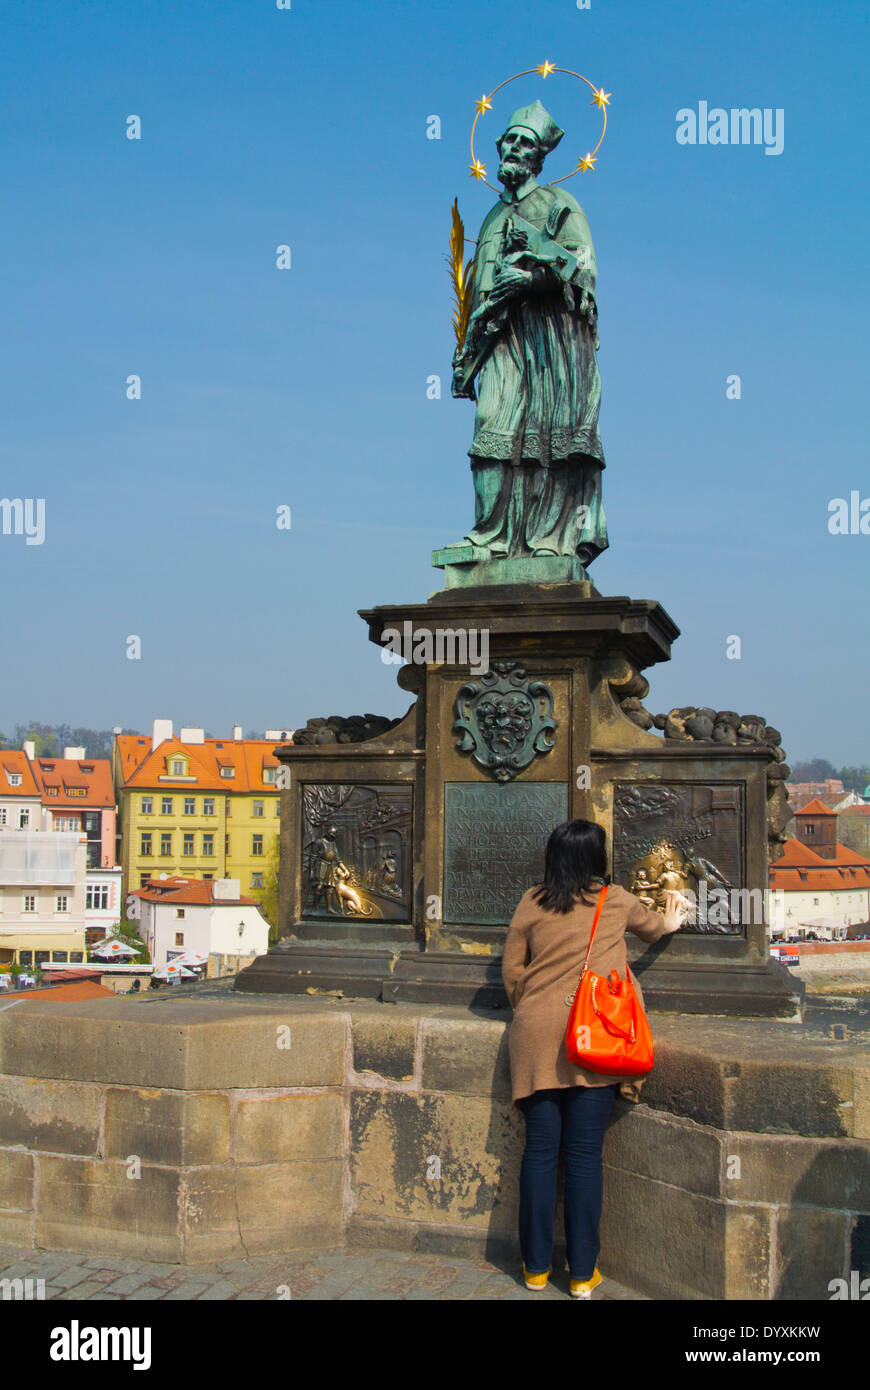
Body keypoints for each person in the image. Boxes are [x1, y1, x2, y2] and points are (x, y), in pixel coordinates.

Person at [502, 818, 688, 1298]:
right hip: (597, 1038)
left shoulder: (531, 901)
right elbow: (656, 930)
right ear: (596, 860)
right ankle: (583, 1273)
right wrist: (673, 914)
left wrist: (535, 1005)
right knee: (584, 1157)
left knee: (540, 1154)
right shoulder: (618, 901)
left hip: (535, 1036)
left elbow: (511, 972)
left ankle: (536, 1269)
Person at [448, 100, 607, 566]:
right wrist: (466, 349)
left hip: (551, 342)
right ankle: (490, 535)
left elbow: (584, 269)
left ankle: (549, 538)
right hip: (501, 339)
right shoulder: (492, 216)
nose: (514, 148)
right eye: (509, 140)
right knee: (491, 427)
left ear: (539, 157)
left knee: (549, 436)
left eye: (525, 143)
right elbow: (477, 286)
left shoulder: (560, 205)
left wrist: (533, 280)